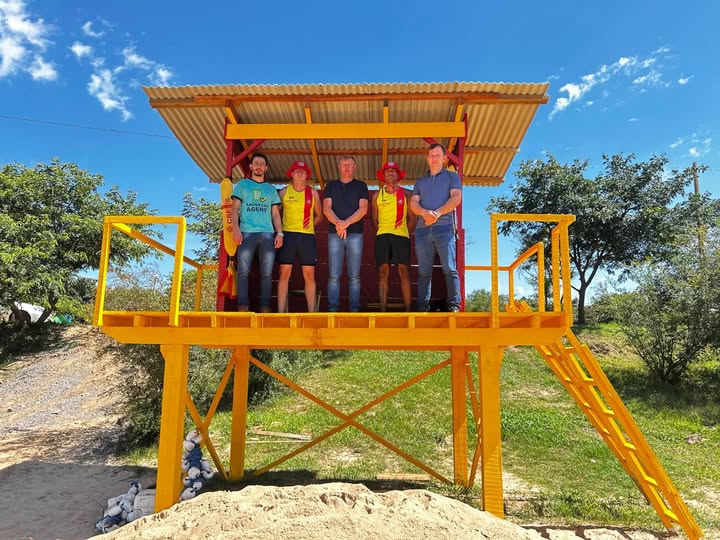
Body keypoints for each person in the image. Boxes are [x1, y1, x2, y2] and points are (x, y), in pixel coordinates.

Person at [410, 144, 463, 312]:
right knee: (424, 271)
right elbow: (413, 203)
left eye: (438, 155)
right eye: (431, 155)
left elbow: (456, 198)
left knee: (449, 268)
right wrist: (425, 214)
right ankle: (421, 307)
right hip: (422, 230)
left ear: (444, 158)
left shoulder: (452, 177)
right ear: (427, 158)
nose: (434, 158)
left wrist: (437, 214)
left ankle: (454, 304)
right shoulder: (420, 181)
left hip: (445, 228)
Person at [230, 152, 283, 312]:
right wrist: (236, 229)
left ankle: (265, 307)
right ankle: (243, 307)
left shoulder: (270, 189)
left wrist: (279, 233)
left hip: (267, 234)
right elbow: (234, 209)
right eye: (256, 163)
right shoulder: (242, 185)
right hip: (246, 232)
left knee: (267, 273)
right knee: (244, 272)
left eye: (262, 164)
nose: (259, 166)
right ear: (251, 166)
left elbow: (275, 213)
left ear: (266, 168)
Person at [322, 156, 369, 312]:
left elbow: (363, 209)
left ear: (354, 166)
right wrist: (339, 225)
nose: (347, 167)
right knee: (333, 275)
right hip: (335, 234)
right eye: (344, 164)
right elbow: (326, 208)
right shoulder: (331, 186)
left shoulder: (361, 186)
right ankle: (332, 310)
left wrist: (345, 223)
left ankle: (354, 310)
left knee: (354, 275)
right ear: (339, 166)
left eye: (350, 164)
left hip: (355, 234)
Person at [276, 160, 323, 312]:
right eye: (297, 171)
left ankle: (311, 313)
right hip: (287, 236)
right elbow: (276, 213)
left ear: (307, 175)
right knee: (284, 274)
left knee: (309, 275)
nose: (300, 173)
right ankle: (281, 313)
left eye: (303, 171)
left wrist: (309, 226)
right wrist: (279, 232)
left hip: (307, 237)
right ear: (291, 174)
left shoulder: (313, 193)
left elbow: (319, 215)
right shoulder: (283, 192)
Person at [371, 161, 416, 311]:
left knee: (404, 271)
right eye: (387, 171)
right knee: (383, 272)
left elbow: (412, 219)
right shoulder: (377, 195)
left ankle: (408, 309)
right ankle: (383, 309)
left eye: (393, 171)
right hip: (382, 236)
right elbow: (374, 220)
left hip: (401, 236)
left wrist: (402, 233)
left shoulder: (407, 194)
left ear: (398, 175)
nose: (390, 173)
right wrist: (384, 231)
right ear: (383, 176)